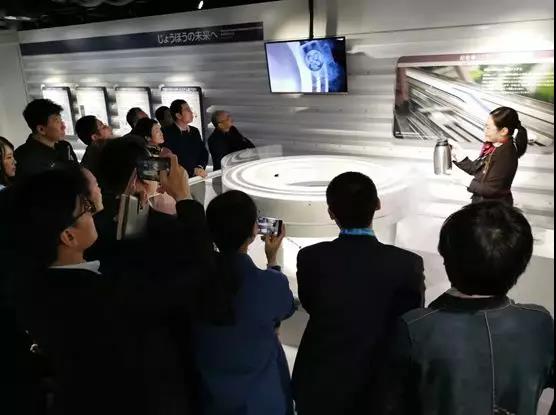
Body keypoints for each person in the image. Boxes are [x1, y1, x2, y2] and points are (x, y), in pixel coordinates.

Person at [382, 201, 554, 415]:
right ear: (522, 264)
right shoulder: (539, 323)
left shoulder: (415, 329)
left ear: (447, 259)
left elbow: (390, 404)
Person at [292, 172, 425, 415]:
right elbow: (411, 321)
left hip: (319, 385)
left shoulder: (310, 257)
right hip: (379, 390)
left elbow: (311, 304)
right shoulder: (407, 264)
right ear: (377, 204)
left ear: (331, 212)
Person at [193, 190, 295, 415]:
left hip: (211, 401)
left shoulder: (191, 281)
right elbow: (286, 307)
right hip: (262, 403)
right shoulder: (269, 284)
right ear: (253, 231)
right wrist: (272, 259)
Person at [451, 107, 528, 206]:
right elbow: (476, 170)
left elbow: (491, 190)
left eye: (488, 128)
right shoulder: (493, 147)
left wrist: (464, 180)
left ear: (503, 131)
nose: (485, 131)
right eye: (485, 126)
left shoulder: (506, 155)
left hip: (494, 210)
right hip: (484, 205)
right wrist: (459, 155)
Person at [14, 99, 77, 180]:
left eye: (61, 120)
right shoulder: (24, 158)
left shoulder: (65, 146)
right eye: (57, 122)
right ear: (41, 129)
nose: (63, 127)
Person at [162, 99, 208, 178]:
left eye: (190, 109)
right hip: (179, 178)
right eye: (187, 110)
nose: (191, 112)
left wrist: (200, 167)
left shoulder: (194, 131)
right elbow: (170, 159)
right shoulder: (166, 133)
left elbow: (203, 151)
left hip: (198, 176)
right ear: (178, 115)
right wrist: (192, 170)